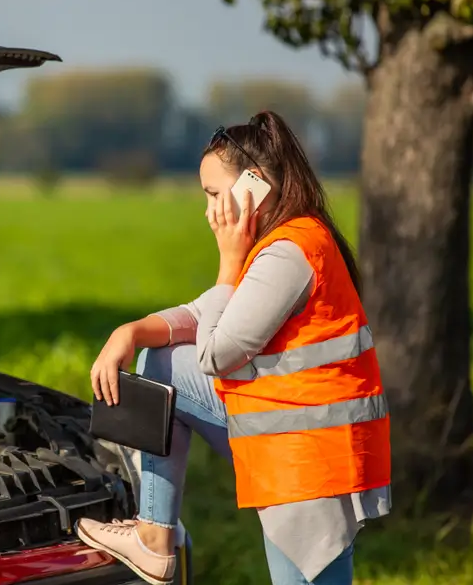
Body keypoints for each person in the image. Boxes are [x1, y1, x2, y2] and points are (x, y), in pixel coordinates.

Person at [75, 111, 391, 585]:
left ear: (255, 186)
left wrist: (227, 262)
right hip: (306, 442)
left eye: (215, 195)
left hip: (307, 459)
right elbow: (211, 314)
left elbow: (217, 353)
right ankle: (152, 535)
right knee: (158, 359)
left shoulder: (288, 253)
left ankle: (153, 536)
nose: (209, 212)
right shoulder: (288, 242)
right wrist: (135, 331)